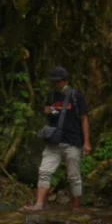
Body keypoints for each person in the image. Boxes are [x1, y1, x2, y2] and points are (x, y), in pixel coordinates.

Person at [24, 66, 91, 211]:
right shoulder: (51, 96)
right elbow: (48, 113)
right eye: (53, 82)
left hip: (73, 141)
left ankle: (76, 206)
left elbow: (84, 118)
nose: (55, 84)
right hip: (54, 142)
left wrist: (86, 142)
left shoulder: (76, 96)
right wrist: (47, 111)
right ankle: (39, 204)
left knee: (74, 176)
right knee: (44, 172)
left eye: (58, 82)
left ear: (64, 81)